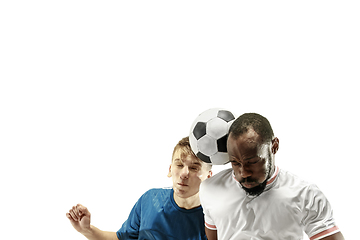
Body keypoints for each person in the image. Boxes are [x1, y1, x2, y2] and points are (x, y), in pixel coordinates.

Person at [199, 113, 345, 240]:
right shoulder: (210, 189)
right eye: (235, 163)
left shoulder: (306, 194)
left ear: (274, 146)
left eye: (253, 162)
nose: (244, 173)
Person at [66, 136, 212, 240]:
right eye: (179, 165)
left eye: (194, 168)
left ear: (209, 177)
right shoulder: (150, 200)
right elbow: (121, 238)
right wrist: (86, 230)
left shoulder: (214, 217)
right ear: (170, 169)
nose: (184, 174)